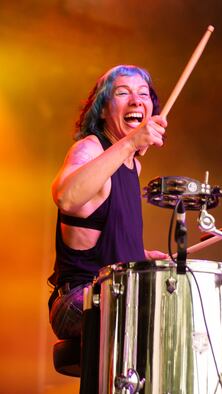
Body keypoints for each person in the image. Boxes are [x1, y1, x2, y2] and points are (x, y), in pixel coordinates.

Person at [48, 65, 169, 340]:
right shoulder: (91, 148)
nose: (136, 100)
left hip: (115, 293)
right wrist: (131, 142)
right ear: (102, 110)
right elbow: (66, 197)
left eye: (143, 94)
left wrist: (139, 254)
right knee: (152, 320)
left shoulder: (132, 166)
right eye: (123, 93)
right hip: (79, 299)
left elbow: (98, 238)